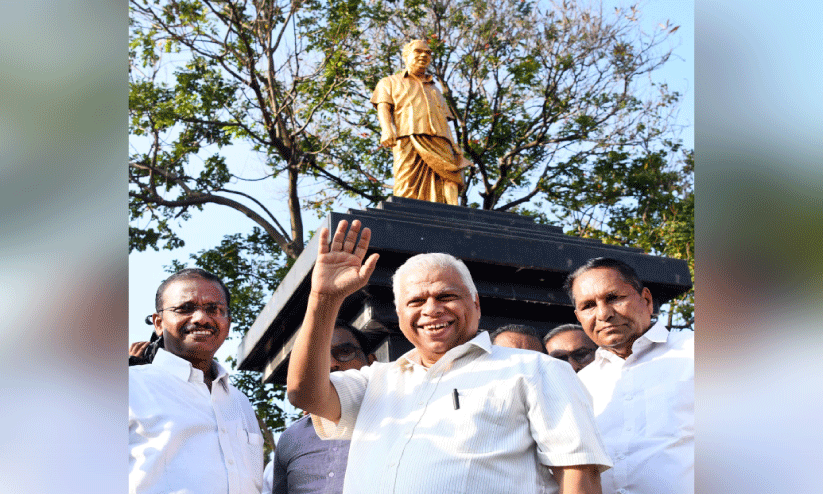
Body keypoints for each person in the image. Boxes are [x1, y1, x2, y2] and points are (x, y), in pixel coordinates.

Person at [287, 219, 611, 494]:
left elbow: (578, 474)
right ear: (400, 314)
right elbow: (305, 392)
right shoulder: (375, 381)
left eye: (446, 296)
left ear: (476, 304)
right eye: (416, 301)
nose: (431, 309)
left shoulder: (535, 370)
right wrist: (324, 298)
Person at [565, 258, 694, 494]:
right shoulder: (579, 385)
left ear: (646, 299)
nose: (603, 314)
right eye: (588, 306)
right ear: (578, 317)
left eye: (614, 298)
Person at [129, 268, 264, 494]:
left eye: (214, 309)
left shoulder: (240, 402)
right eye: (185, 308)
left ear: (227, 323)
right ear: (159, 323)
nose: (201, 318)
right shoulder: (127, 387)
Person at [264, 321, 376, 494]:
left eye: (345, 352)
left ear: (371, 361)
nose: (331, 364)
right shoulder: (291, 438)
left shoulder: (399, 419)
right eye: (319, 357)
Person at [371, 39, 472, 205]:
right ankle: (404, 219)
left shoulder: (434, 88)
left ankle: (453, 213)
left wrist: (455, 147)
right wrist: (387, 129)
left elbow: (445, 120)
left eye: (428, 53)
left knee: (449, 176)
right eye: (418, 51)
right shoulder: (389, 82)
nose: (424, 55)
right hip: (408, 138)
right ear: (406, 56)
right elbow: (383, 107)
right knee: (407, 181)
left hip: (440, 140)